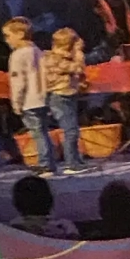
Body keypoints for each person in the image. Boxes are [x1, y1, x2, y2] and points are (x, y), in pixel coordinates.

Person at [2, 18, 53, 167]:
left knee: (37, 133)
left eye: (8, 36)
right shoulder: (38, 51)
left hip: (28, 101)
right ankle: (49, 161)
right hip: (43, 98)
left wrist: (16, 103)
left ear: (20, 34)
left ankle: (45, 164)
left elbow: (18, 82)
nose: (6, 40)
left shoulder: (17, 55)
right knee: (43, 132)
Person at [42, 25, 88, 171]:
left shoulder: (65, 57)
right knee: (70, 131)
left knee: (73, 129)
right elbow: (77, 68)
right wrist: (79, 52)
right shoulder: (52, 58)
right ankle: (71, 164)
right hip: (59, 97)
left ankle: (77, 159)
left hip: (68, 94)